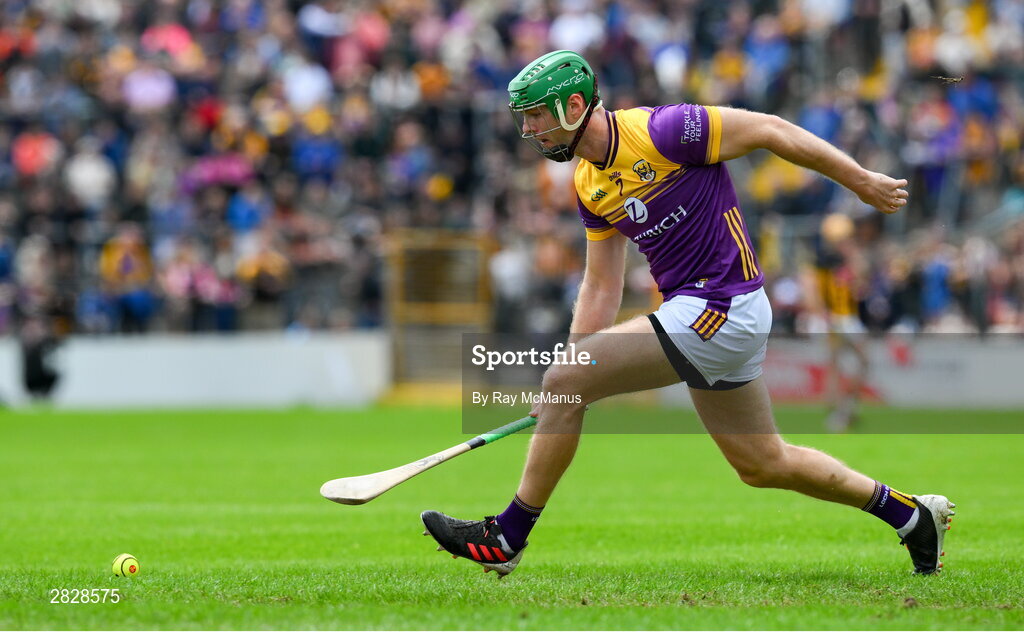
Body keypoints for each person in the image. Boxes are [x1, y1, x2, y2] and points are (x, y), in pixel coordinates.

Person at [421, 51, 954, 576]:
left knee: (571, 377)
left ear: (574, 105)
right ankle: (911, 516)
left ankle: (508, 535)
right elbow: (602, 283)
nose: (530, 129)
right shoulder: (588, 183)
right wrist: (570, 373)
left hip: (723, 305)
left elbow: (770, 128)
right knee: (763, 465)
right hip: (699, 316)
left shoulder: (667, 130)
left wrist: (859, 179)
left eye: (536, 115)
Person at [805, 212, 870, 432]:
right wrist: (824, 317)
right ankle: (839, 413)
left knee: (849, 364)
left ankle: (843, 410)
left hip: (847, 318)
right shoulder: (820, 261)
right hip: (834, 319)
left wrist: (852, 254)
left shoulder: (845, 260)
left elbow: (861, 283)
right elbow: (812, 292)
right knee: (840, 364)